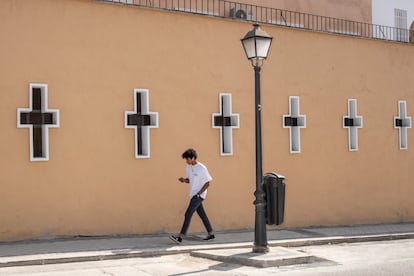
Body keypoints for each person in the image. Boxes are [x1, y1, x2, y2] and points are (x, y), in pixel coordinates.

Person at [169, 148, 215, 243]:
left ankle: (180, 236)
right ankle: (211, 233)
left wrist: (198, 194)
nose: (186, 161)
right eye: (186, 159)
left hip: (199, 196)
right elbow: (190, 180)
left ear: (193, 158)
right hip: (193, 194)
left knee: (188, 214)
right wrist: (184, 180)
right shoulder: (188, 167)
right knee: (202, 214)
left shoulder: (202, 168)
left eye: (188, 159)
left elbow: (207, 183)